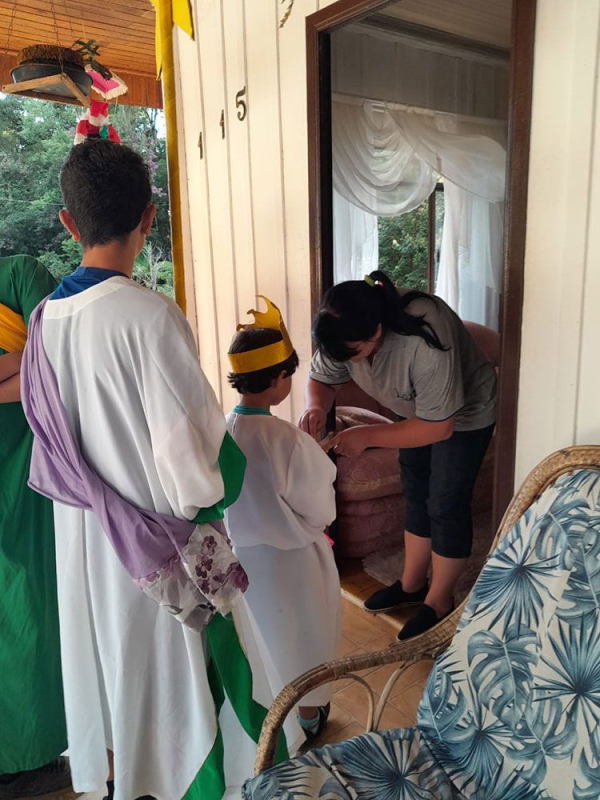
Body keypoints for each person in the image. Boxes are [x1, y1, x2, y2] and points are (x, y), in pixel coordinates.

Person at [20, 139, 284, 800]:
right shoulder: (150, 316)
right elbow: (196, 469)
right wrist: (222, 476)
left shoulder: (43, 322)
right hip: (158, 548)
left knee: (113, 676)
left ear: (68, 223)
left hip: (86, 541)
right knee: (181, 689)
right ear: (148, 215)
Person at [299, 271, 496, 640]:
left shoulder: (425, 335)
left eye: (354, 355)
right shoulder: (340, 326)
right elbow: (323, 379)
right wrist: (316, 407)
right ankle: (411, 585)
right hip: (414, 412)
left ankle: (440, 601)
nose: (350, 363)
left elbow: (439, 427)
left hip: (463, 415)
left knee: (445, 502)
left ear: (376, 333)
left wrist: (367, 436)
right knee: (416, 491)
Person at [225, 298, 340, 741]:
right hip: (292, 563)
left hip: (241, 560)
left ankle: (270, 722)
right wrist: (316, 457)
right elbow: (320, 508)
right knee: (302, 639)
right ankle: (308, 718)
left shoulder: (221, 430)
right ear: (278, 380)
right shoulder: (287, 440)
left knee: (262, 642)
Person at [0, 255, 71, 799]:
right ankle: (19, 763)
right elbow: (32, 369)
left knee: (31, 612)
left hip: (27, 475)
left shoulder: (19, 275)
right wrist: (15, 365)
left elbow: (55, 363)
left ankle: (33, 755)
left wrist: (26, 368)